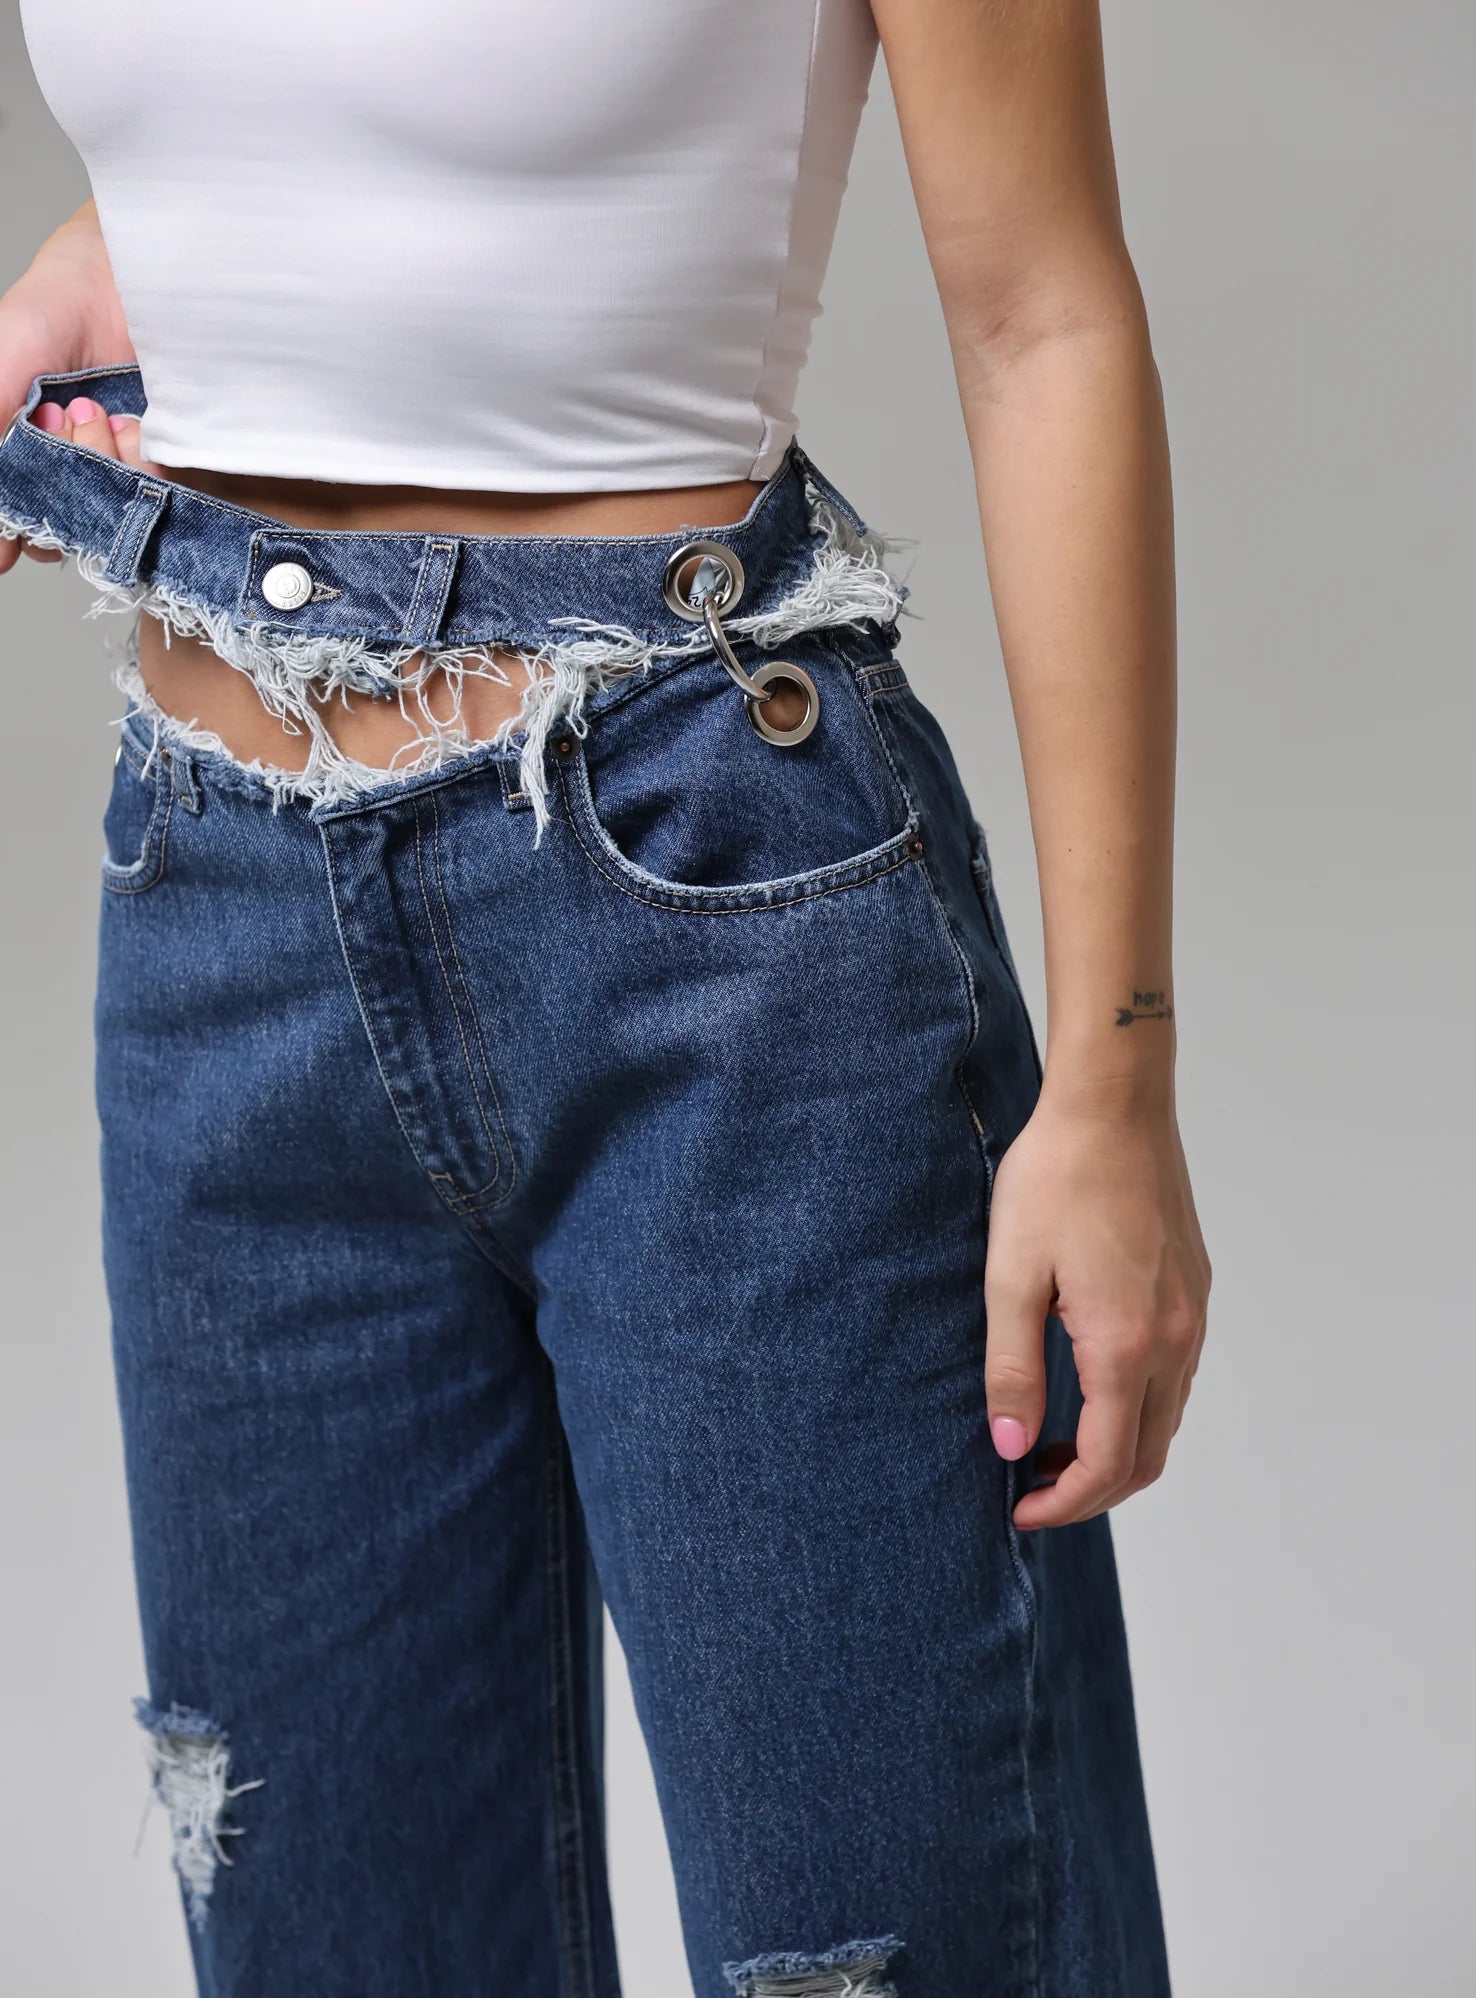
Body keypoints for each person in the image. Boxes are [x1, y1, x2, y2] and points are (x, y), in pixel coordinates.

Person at [0, 1, 1210, 1992]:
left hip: (717, 930)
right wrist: (143, 246)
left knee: (883, 1954)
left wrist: (1116, 1077)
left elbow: (1045, 319)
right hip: (222, 908)